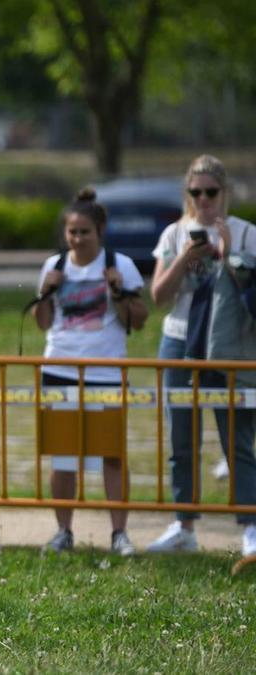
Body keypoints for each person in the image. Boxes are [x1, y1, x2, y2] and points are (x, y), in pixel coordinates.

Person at [147, 154, 256, 556]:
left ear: (224, 193)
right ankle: (184, 524)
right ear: (187, 194)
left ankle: (250, 526)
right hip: (178, 339)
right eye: (196, 192)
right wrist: (183, 260)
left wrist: (227, 254)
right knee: (181, 435)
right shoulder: (175, 233)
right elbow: (158, 296)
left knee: (237, 436)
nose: (204, 200)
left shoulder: (245, 233)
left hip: (227, 344)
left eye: (211, 192)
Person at [33, 188, 148, 556]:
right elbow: (43, 323)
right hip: (60, 368)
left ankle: (119, 533)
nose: (78, 239)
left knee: (111, 454)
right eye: (72, 232)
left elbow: (140, 321)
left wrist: (118, 291)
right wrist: (46, 293)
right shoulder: (54, 266)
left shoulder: (121, 264)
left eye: (85, 232)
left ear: (100, 231)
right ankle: (63, 531)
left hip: (106, 371)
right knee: (63, 454)